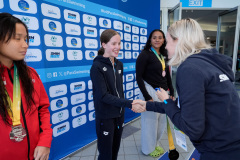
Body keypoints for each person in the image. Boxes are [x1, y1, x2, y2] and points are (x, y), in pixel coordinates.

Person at [132, 18, 240, 160]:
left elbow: (192, 129)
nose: (166, 47)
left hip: (220, 150)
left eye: (168, 41)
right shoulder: (208, 63)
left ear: (179, 41)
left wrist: (166, 101)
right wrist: (148, 105)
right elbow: (190, 105)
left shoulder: (190, 68)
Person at [0, 13, 52, 160]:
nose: (25, 45)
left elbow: (43, 109)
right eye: (17, 39)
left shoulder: (30, 74)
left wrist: (45, 141)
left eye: (26, 39)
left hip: (36, 154)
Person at [90, 29, 140, 160]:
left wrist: (124, 106)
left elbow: (119, 90)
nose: (117, 47)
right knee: (106, 154)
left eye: (119, 43)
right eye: (113, 43)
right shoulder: (97, 67)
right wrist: (129, 103)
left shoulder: (119, 64)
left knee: (115, 150)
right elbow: (104, 96)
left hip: (119, 114)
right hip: (106, 116)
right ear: (104, 44)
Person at [135, 29, 174, 157]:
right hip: (150, 91)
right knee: (150, 122)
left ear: (163, 40)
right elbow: (138, 77)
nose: (157, 40)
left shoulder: (164, 54)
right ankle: (147, 149)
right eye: (154, 37)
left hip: (163, 92)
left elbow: (167, 74)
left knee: (161, 122)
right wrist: (147, 96)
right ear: (150, 40)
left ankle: (155, 144)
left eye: (160, 37)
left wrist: (171, 91)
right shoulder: (145, 54)